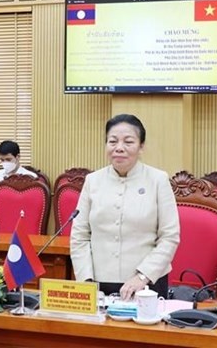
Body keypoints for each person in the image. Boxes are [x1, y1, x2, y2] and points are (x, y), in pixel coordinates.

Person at [70, 114, 180, 301]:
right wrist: (86, 280)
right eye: (112, 141)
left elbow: (169, 236)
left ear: (141, 146)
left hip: (147, 283)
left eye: (128, 142)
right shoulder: (92, 181)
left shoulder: (158, 180)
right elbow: (79, 235)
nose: (119, 148)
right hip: (96, 284)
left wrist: (142, 276)